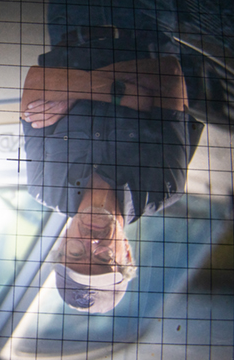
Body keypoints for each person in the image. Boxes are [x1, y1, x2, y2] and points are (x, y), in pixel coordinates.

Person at [21, 32, 204, 314]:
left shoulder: (41, 186)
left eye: (76, 253)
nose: (92, 243)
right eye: (105, 260)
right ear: (127, 254)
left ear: (62, 244)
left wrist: (134, 95)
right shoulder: (163, 188)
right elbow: (168, 73)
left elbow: (35, 80)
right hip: (143, 20)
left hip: (68, 24)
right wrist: (72, 89)